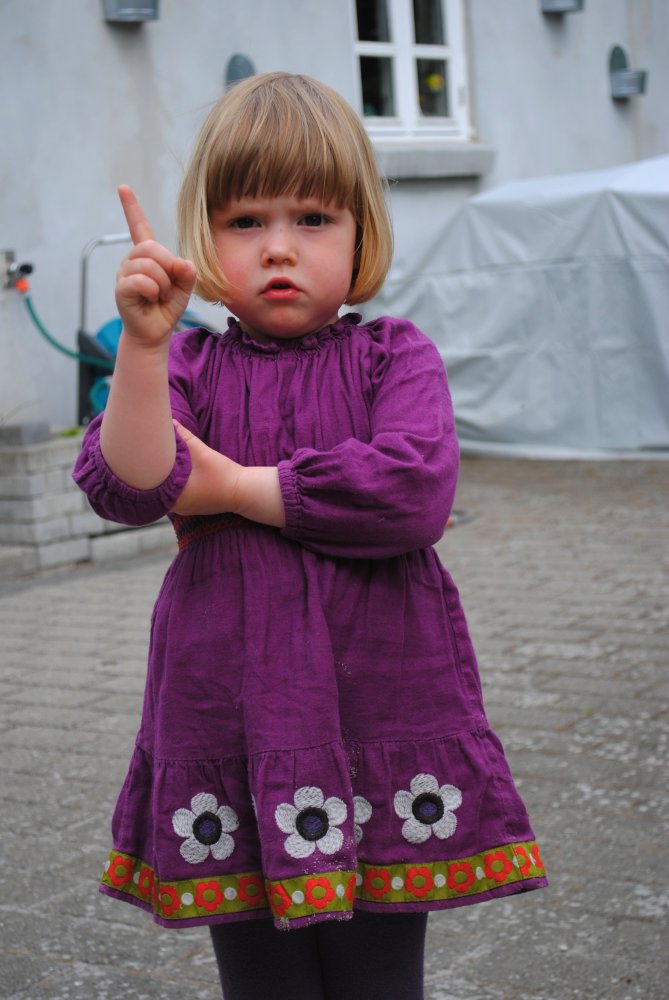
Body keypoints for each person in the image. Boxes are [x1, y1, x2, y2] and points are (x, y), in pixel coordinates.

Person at [73, 72, 547, 1000]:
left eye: (314, 219)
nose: (278, 247)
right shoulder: (188, 366)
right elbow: (127, 484)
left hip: (379, 711)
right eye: (245, 221)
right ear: (205, 235)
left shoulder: (392, 357)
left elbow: (411, 490)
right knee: (262, 979)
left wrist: (235, 488)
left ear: (362, 232)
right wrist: (142, 347)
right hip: (231, 716)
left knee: (379, 977)